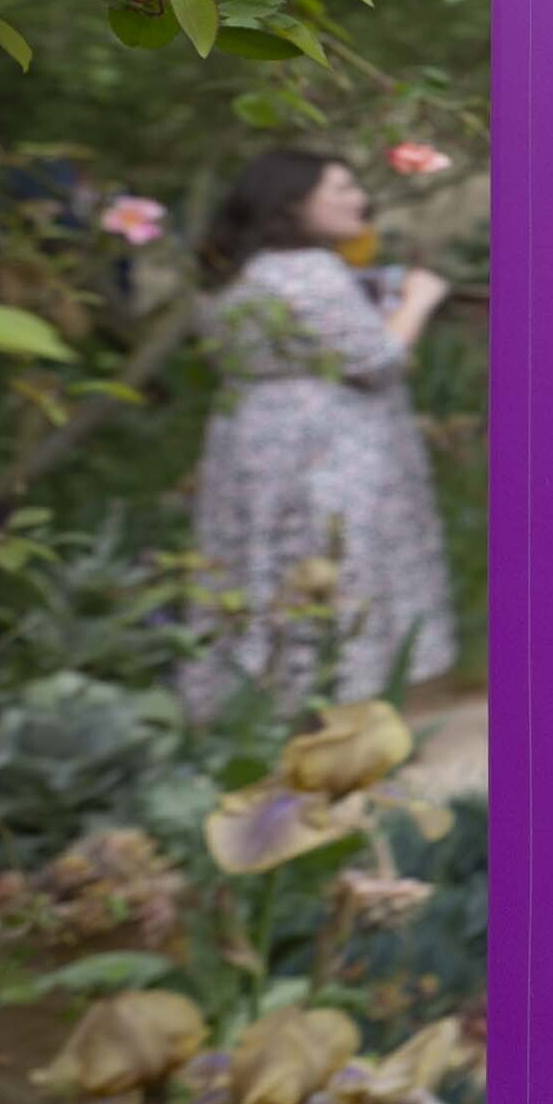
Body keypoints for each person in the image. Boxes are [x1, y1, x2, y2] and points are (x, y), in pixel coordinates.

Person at [181, 148, 458, 717]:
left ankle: (258, 704)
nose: (359, 199)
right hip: (329, 443)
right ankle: (341, 711)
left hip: (253, 435)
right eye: (340, 188)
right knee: (338, 564)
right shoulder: (310, 270)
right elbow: (377, 358)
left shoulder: (231, 273)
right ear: (291, 204)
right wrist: (421, 298)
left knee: (264, 563)